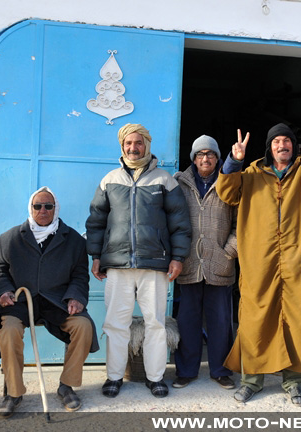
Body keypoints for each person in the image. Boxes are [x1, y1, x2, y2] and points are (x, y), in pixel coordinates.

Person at [216, 103, 301, 406]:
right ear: (269, 148)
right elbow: (226, 193)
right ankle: (251, 380)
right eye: (276, 141)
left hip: (298, 262)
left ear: (293, 147)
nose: (282, 145)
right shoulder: (250, 175)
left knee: (297, 319)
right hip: (260, 262)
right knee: (255, 318)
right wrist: (234, 160)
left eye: (286, 141)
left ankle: (294, 381)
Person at [86, 123, 191, 398]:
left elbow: (179, 222)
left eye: (138, 143)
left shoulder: (164, 180)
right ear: (122, 147)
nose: (133, 148)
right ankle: (114, 377)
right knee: (115, 324)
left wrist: (178, 257)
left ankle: (155, 378)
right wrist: (96, 256)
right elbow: (96, 222)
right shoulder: (109, 180)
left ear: (147, 144)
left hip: (155, 264)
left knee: (154, 323)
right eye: (128, 144)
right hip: (118, 265)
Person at [0, 186, 98, 418]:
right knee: (9, 330)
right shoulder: (10, 238)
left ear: (56, 209)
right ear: (30, 208)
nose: (43, 210)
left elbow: (80, 275)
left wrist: (76, 297)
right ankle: (13, 392)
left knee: (83, 326)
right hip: (20, 302)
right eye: (38, 206)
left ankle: (67, 386)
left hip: (58, 302)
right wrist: (3, 291)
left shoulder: (73, 240)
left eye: (48, 206)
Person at [172, 135, 238, 390]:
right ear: (194, 159)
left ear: (218, 158)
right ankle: (186, 371)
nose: (205, 158)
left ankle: (221, 370)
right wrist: (177, 254)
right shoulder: (180, 183)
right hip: (188, 263)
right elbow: (171, 220)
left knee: (221, 321)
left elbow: (241, 223)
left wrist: (229, 252)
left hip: (219, 263)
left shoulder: (229, 183)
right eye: (200, 154)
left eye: (210, 154)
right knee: (187, 321)